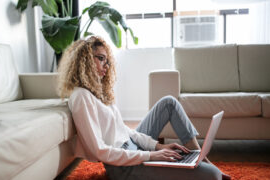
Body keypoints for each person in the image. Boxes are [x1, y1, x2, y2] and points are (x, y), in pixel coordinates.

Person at [57, 36, 230, 180]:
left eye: (107, 61)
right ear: (84, 60)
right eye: (100, 58)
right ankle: (204, 165)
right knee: (213, 176)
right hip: (122, 167)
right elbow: (99, 151)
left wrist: (157, 147)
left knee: (169, 102)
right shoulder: (81, 97)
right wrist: (150, 155)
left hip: (133, 148)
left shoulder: (98, 92)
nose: (106, 66)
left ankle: (201, 159)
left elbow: (124, 130)